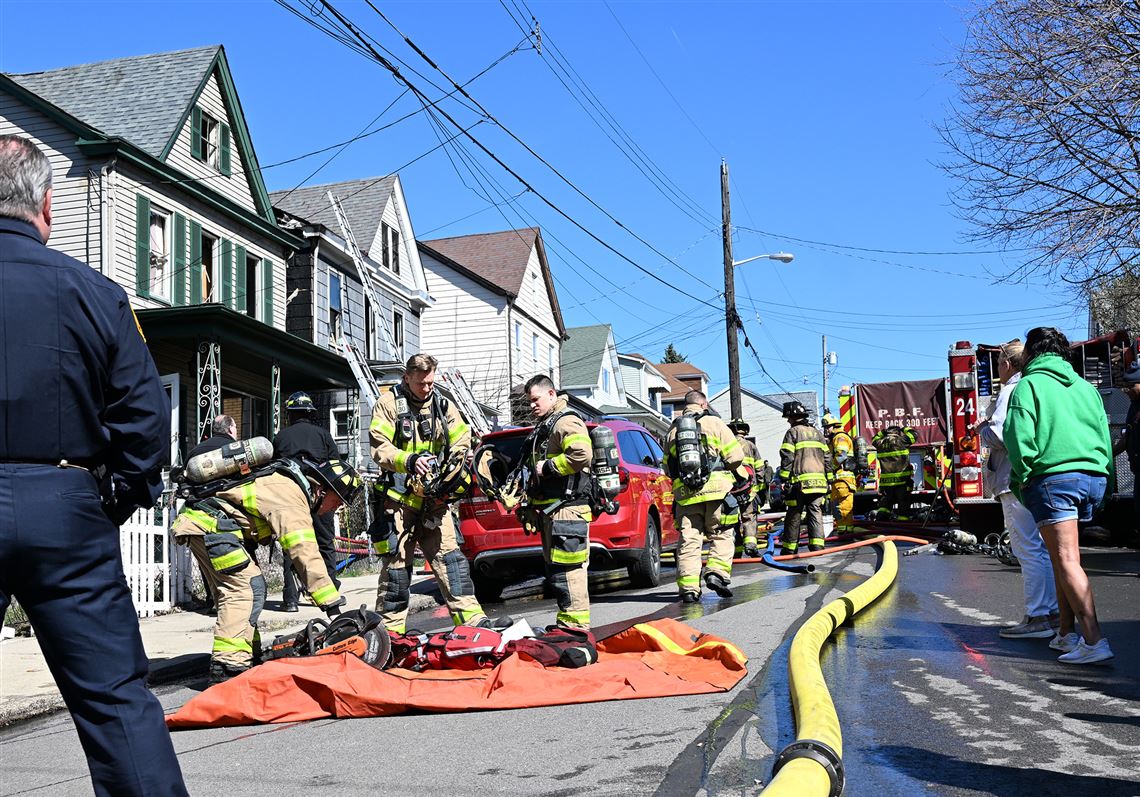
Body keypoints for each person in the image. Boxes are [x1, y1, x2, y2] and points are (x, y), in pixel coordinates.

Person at [0, 134, 188, 795]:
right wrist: (110, 498)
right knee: (114, 700)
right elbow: (146, 420)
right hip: (67, 500)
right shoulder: (96, 293)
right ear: (47, 204)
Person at [172, 417, 356, 682]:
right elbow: (304, 551)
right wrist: (331, 604)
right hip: (213, 528)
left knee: (246, 589)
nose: (334, 509)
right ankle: (227, 669)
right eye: (337, 503)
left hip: (205, 526)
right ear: (324, 489)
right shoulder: (292, 495)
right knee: (244, 591)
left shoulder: (286, 482)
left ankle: (248, 656)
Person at [1006, 326, 1114, 664]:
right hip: (1092, 476)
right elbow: (1104, 432)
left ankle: (1094, 641)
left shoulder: (1028, 385)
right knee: (1061, 559)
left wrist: (1023, 477)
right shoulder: (1085, 387)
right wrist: (1106, 482)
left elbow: (1017, 437)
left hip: (1054, 478)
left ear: (1031, 353)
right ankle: (1066, 634)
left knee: (1066, 559)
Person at [370, 353, 490, 632]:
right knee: (397, 570)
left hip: (435, 502)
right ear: (406, 378)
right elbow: (379, 447)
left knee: (451, 561)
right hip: (399, 502)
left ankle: (473, 622)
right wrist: (409, 461)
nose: (427, 389)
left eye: (431, 383)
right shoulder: (388, 404)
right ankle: (391, 633)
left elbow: (461, 438)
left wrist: (454, 465)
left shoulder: (442, 404)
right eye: (421, 383)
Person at [976, 340, 1059, 639]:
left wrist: (981, 428)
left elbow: (999, 435)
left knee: (1026, 549)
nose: (997, 369)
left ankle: (1037, 616)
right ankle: (1050, 612)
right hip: (1035, 477)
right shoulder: (1037, 385)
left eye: (998, 363)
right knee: (1042, 549)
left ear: (1008, 365)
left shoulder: (1012, 389)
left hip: (1013, 478)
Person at [519, 374, 594, 629]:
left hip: (568, 511)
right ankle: (568, 625)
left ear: (551, 394)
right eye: (529, 401)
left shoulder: (566, 421)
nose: (532, 406)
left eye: (536, 399)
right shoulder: (547, 424)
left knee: (569, 571)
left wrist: (549, 467)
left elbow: (582, 454)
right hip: (553, 511)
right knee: (558, 572)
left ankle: (576, 629)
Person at [664, 390, 747, 602]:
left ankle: (689, 589)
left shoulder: (672, 431)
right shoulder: (715, 423)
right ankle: (716, 573)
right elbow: (736, 456)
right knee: (721, 533)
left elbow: (667, 468)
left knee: (689, 541)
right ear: (704, 404)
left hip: (686, 496)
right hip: (717, 492)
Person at [274, 390, 342, 610]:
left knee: (291, 547)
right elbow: (336, 466)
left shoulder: (281, 437)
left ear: (291, 414)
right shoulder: (323, 435)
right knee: (325, 545)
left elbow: (273, 468)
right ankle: (329, 593)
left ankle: (291, 600)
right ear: (310, 413)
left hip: (291, 500)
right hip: (320, 498)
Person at [779, 401, 831, 553]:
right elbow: (827, 457)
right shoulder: (818, 434)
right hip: (819, 483)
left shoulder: (792, 432)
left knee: (794, 512)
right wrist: (829, 479)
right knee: (815, 511)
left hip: (800, 483)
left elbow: (787, 457)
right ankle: (817, 546)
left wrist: (784, 478)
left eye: (788, 418)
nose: (788, 421)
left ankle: (789, 548)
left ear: (794, 417)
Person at [728, 419, 763, 557]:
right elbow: (759, 468)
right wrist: (759, 486)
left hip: (730, 489)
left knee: (732, 519)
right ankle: (750, 546)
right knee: (748, 517)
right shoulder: (750, 445)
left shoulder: (726, 445)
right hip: (748, 489)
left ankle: (736, 551)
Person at [1115, 361, 1140, 538]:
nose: (1127, 391)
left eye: (1131, 386)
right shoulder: (1134, 405)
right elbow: (1126, 437)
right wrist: (1106, 456)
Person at [872, 424, 917, 519]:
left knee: (885, 504)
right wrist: (904, 428)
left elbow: (873, 439)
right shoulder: (901, 441)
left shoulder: (879, 443)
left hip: (886, 483)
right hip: (902, 481)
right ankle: (902, 525)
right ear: (898, 433)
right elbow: (914, 434)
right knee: (903, 503)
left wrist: (882, 432)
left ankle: (881, 522)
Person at [822, 413, 857, 533]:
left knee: (843, 507)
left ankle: (845, 532)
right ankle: (844, 531)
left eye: (827, 427)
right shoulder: (834, 438)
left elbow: (841, 455)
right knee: (839, 507)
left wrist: (830, 467)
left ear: (835, 426)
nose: (825, 430)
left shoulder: (840, 437)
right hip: (839, 480)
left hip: (843, 480)